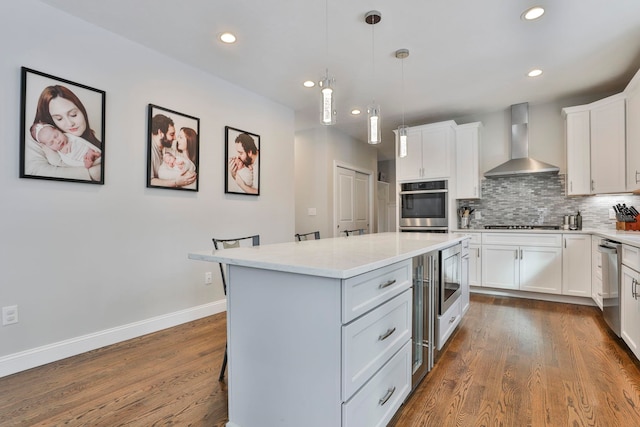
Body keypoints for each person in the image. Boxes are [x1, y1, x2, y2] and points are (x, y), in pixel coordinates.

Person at [25, 85, 102, 181]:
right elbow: (35, 171)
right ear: (51, 120)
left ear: (82, 111)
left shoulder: (94, 140)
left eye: (73, 115)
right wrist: (92, 173)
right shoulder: (40, 138)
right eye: (59, 118)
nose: (70, 123)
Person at [149, 114, 196, 188]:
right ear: (160, 133)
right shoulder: (150, 150)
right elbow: (150, 181)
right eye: (172, 134)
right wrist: (176, 182)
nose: (175, 138)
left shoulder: (166, 150)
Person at [30, 122, 101, 169]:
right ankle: (90, 160)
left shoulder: (69, 135)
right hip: (81, 159)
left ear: (58, 130)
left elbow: (80, 140)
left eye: (56, 135)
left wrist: (70, 143)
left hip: (87, 149)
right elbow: (68, 162)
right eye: (51, 143)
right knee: (87, 164)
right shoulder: (61, 153)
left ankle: (93, 154)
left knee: (90, 150)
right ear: (48, 147)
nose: (57, 141)